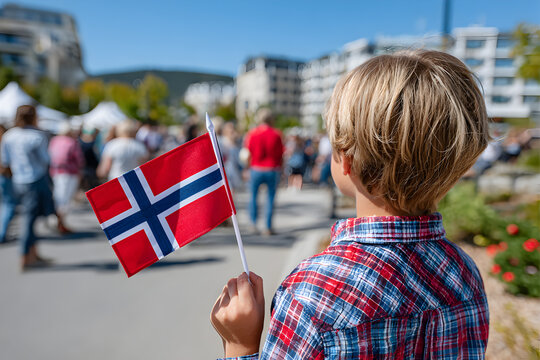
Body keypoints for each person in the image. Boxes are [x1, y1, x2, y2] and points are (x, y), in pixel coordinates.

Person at [210, 50, 490, 359]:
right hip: (272, 171)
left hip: (261, 173)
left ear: (347, 158)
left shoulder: (312, 293)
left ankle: (260, 220)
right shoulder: (465, 274)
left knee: (260, 200)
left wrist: (240, 345)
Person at [1, 105, 56, 269]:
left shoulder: (9, 136)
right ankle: (25, 255)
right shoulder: (37, 136)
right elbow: (46, 160)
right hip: (35, 179)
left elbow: (5, 160)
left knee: (29, 217)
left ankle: (33, 253)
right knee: (29, 219)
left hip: (18, 179)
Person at [244, 108, 284, 235]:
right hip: (272, 168)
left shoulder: (252, 134)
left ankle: (253, 223)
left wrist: (246, 168)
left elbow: (247, 153)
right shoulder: (277, 134)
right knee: (270, 198)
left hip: (256, 168)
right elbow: (281, 154)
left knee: (253, 196)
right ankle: (267, 226)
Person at [49, 122, 84, 233]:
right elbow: (79, 159)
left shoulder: (54, 141)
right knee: (65, 199)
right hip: (70, 172)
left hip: (55, 171)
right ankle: (60, 221)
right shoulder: (72, 142)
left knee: (59, 196)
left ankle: (59, 220)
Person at [0, 124, 17, 244]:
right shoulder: (6, 140)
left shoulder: (7, 140)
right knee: (9, 204)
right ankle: (2, 233)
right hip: (5, 175)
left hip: (5, 175)